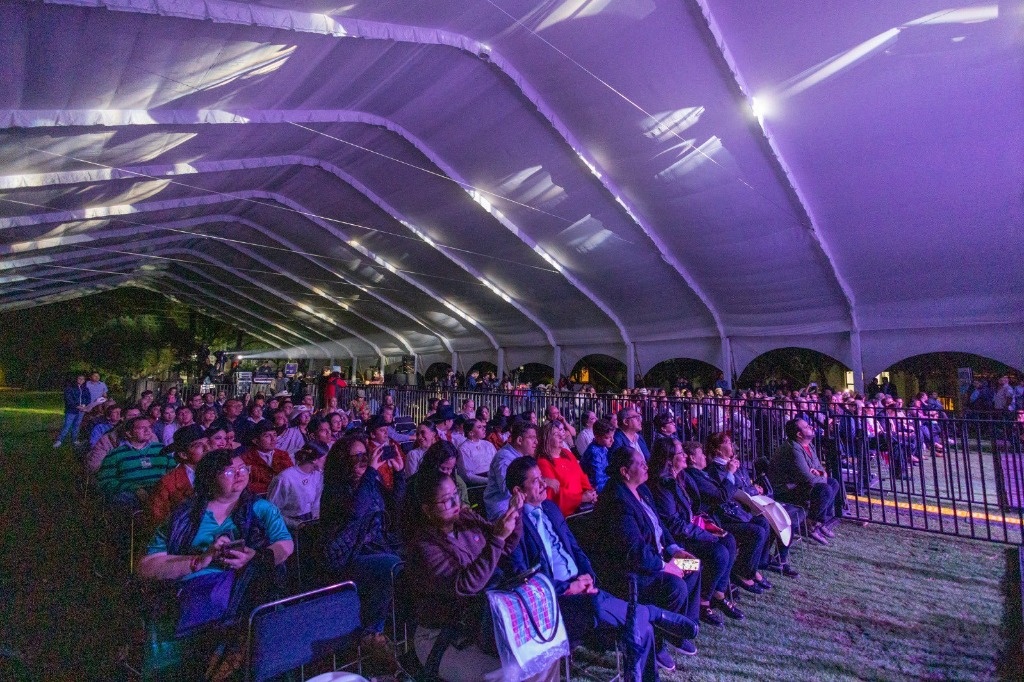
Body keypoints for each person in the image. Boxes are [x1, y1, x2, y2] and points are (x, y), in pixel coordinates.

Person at [505, 456, 699, 676]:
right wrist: (570, 587)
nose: (544, 484)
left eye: (542, 478)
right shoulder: (513, 525)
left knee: (693, 566)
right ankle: (654, 618)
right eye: (535, 481)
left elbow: (575, 548)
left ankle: (675, 632)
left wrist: (588, 576)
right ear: (517, 491)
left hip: (599, 582)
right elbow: (524, 579)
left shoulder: (551, 508)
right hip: (562, 598)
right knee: (653, 600)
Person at [137, 448, 293, 679]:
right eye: (229, 471)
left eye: (242, 469)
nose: (240, 474)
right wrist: (200, 560)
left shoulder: (261, 509)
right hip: (192, 586)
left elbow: (284, 545)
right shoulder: (185, 515)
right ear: (210, 478)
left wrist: (256, 557)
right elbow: (147, 565)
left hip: (244, 582)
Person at [406, 469, 558, 682]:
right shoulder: (424, 547)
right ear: (427, 509)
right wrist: (497, 538)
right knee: (509, 672)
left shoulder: (465, 518)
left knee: (545, 655)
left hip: (484, 620)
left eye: (455, 494)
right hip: (443, 633)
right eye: (446, 500)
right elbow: (466, 585)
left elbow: (502, 550)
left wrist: (514, 514)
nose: (455, 502)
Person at [590, 446, 702, 660]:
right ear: (624, 471)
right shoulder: (617, 500)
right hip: (633, 573)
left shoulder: (641, 490)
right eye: (640, 464)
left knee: (693, 565)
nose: (646, 466)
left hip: (658, 558)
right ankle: (655, 643)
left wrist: (675, 550)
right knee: (674, 585)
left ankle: (680, 628)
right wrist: (666, 566)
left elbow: (660, 526)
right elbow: (633, 551)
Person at [319, 434, 405, 650]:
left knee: (417, 555)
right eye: (356, 456)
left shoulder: (370, 482)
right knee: (391, 565)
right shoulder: (335, 489)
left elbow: (396, 508)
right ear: (342, 460)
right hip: (350, 556)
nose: (363, 460)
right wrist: (371, 473)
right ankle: (372, 632)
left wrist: (400, 473)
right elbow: (356, 511)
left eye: (364, 455)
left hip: (378, 547)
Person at [648, 438, 743, 626]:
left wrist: (708, 528)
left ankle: (717, 593)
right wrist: (705, 535)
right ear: (668, 459)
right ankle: (702, 603)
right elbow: (673, 524)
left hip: (690, 529)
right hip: (678, 539)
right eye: (680, 454)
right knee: (717, 553)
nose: (685, 456)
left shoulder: (682, 476)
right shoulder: (662, 484)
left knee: (728, 540)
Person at [704, 432, 802, 577]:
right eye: (728, 443)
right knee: (763, 525)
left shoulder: (734, 464)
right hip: (735, 512)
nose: (732, 445)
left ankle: (767, 561)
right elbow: (734, 491)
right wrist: (751, 488)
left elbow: (744, 484)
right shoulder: (717, 469)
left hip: (750, 504)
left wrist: (754, 488)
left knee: (784, 516)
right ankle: (749, 570)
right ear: (718, 449)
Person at [681, 441, 773, 591]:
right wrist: (730, 473)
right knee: (752, 533)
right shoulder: (696, 475)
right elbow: (722, 495)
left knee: (763, 522)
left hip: (727, 513)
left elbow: (736, 488)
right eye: (701, 454)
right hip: (718, 519)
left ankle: (751, 569)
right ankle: (733, 579)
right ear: (692, 458)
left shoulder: (702, 473)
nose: (705, 456)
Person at [769, 418, 841, 544]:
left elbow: (819, 468)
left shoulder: (808, 445)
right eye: (807, 426)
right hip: (787, 490)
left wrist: (820, 473)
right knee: (825, 489)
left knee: (833, 483)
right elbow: (808, 478)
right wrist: (821, 475)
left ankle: (818, 522)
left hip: (801, 485)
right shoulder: (793, 449)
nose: (811, 427)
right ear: (799, 434)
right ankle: (810, 525)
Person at [97, 416, 174, 512]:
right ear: (129, 433)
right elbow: (105, 481)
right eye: (142, 428)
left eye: (149, 427)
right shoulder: (115, 454)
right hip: (131, 494)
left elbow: (174, 473)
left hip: (160, 491)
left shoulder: (162, 449)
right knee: (121, 500)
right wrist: (134, 489)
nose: (147, 430)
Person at [149, 429, 211, 526]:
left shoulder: (219, 473)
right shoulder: (168, 483)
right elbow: (159, 519)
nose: (207, 448)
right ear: (183, 455)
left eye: (208, 442)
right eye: (199, 445)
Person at [536, 422, 596, 517]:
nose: (561, 436)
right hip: (568, 514)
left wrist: (590, 492)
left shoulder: (566, 453)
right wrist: (580, 498)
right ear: (546, 439)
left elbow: (581, 476)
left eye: (561, 432)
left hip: (583, 506)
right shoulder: (543, 462)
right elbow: (555, 491)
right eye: (555, 434)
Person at [484, 419, 539, 519]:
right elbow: (507, 490)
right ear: (519, 440)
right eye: (532, 438)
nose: (536, 442)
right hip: (502, 510)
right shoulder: (504, 458)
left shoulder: (522, 456)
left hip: (520, 506)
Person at [266, 443, 328, 528]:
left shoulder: (317, 475)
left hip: (309, 522)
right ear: (314, 460)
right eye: (325, 458)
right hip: (289, 525)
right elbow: (271, 511)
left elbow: (316, 503)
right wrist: (295, 524)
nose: (328, 461)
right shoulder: (285, 478)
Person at [239, 421, 292, 495]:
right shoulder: (246, 458)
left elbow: (291, 478)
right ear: (256, 441)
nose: (273, 439)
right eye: (267, 436)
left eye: (275, 435)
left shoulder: (283, 455)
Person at [457, 417, 497, 485]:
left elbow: (497, 463)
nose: (484, 429)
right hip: (477, 484)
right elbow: (467, 475)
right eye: (479, 427)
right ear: (471, 433)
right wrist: (487, 481)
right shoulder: (463, 448)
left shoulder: (488, 445)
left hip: (493, 478)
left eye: (483, 426)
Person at [54, 374, 90, 448]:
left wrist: (84, 405)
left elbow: (88, 398)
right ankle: (59, 440)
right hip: (71, 411)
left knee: (76, 426)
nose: (81, 380)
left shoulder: (85, 389)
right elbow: (68, 399)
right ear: (76, 379)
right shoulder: (70, 388)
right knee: (67, 425)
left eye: (83, 379)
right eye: (79, 378)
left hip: (81, 411)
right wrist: (76, 406)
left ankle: (75, 440)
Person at [581, 418, 615, 492]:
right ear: (597, 437)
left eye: (612, 436)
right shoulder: (595, 453)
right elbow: (598, 482)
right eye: (607, 437)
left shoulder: (602, 447)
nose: (612, 440)